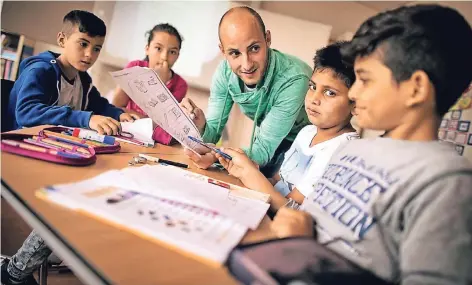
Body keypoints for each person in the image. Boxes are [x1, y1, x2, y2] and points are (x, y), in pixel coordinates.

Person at [269, 5, 472, 284]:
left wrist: (306, 249)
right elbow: (308, 222)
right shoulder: (352, 150)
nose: (353, 92)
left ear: (416, 89)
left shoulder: (445, 181)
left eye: (365, 79)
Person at [215, 42, 359, 213]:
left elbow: (290, 209)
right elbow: (278, 179)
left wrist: (250, 174)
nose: (314, 99)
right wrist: (242, 172)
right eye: (313, 87)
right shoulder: (307, 132)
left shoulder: (342, 149)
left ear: (356, 102)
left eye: (330, 93)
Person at [181, 6, 312, 177]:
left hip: (303, 145)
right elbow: (211, 134)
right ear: (223, 51)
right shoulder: (224, 73)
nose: (247, 64)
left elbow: (263, 151)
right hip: (269, 137)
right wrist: (199, 127)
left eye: (254, 48)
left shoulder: (294, 79)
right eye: (235, 53)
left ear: (268, 39)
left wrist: (215, 155)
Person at [7, 10, 137, 136]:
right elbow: (26, 112)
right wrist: (87, 119)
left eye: (96, 49)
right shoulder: (40, 71)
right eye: (83, 44)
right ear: (62, 40)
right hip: (22, 143)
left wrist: (118, 114)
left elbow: (99, 105)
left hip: (56, 143)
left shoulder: (83, 80)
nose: (89, 54)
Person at [111, 23, 188, 145]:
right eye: (158, 48)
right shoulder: (134, 68)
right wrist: (147, 121)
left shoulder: (180, 84)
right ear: (147, 49)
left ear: (178, 55)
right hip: (126, 131)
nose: (164, 57)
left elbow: (164, 124)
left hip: (153, 140)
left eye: (172, 52)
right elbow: (115, 107)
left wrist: (159, 83)